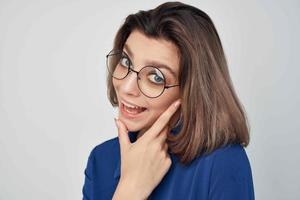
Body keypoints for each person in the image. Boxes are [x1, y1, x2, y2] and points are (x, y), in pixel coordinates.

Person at [82, 1, 255, 200]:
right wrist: (130, 190)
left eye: (156, 77)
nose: (127, 87)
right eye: (126, 61)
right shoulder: (100, 160)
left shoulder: (222, 163)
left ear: (190, 90)